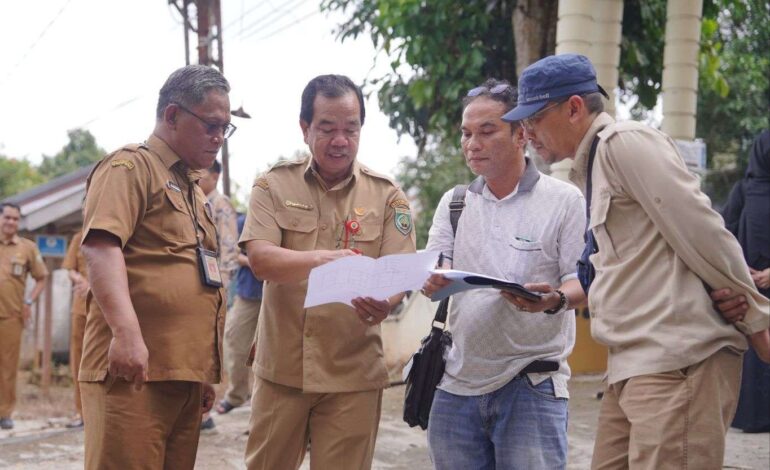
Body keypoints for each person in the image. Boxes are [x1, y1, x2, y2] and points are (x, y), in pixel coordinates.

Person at [502, 53, 770, 469]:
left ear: (574, 108)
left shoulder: (625, 144)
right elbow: (625, 267)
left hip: (676, 362)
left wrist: (757, 321)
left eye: (534, 118)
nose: (527, 132)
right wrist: (556, 298)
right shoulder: (590, 170)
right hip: (631, 365)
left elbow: (704, 231)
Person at [240, 74, 417, 470]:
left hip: (352, 374)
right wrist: (320, 259)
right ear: (305, 129)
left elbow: (400, 271)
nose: (341, 140)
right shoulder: (272, 185)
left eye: (350, 129)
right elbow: (261, 259)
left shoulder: (388, 195)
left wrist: (384, 302)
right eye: (327, 128)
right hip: (282, 370)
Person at [419, 79, 585, 469]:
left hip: (532, 385)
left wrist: (555, 300)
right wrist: (433, 279)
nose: (472, 143)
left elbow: (583, 280)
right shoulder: (455, 202)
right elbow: (432, 270)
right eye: (466, 133)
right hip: (455, 386)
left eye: (487, 130)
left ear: (521, 134)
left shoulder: (564, 201)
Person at [78, 64, 232, 469]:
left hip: (179, 375)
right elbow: (101, 247)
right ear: (172, 115)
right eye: (211, 125)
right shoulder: (129, 168)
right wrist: (126, 335)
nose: (219, 138)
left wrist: (198, 371)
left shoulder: (191, 188)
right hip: (134, 374)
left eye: (225, 128)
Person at [723, 129, 770, 433]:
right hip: (750, 287)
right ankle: (754, 417)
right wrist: (740, 270)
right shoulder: (743, 189)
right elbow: (723, 233)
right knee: (755, 352)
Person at [197, 159, 239, 430]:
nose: (197, 176)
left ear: (214, 175)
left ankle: (203, 413)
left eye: (201, 172)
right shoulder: (196, 199)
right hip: (198, 284)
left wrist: (219, 289)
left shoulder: (219, 204)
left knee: (207, 346)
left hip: (213, 286)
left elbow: (228, 250)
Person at [0, 202, 48, 430]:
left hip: (11, 316)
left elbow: (42, 278)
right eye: (7, 217)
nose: (11, 222)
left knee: (7, 367)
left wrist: (29, 300)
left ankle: (5, 413)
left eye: (15, 219)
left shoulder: (27, 248)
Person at [216, 212, 263, 415]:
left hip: (283, 293)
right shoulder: (245, 221)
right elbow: (232, 251)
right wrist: (257, 261)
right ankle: (237, 395)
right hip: (250, 293)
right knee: (235, 338)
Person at [61, 228, 88, 429]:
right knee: (78, 361)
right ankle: (81, 412)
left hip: (108, 309)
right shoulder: (78, 237)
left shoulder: (116, 231)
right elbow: (70, 269)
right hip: (81, 308)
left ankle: (102, 414)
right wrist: (79, 280)